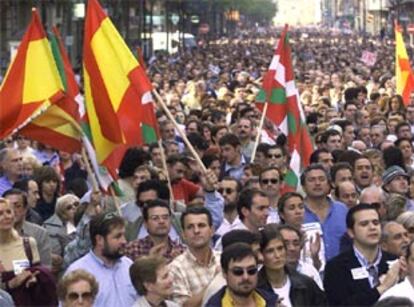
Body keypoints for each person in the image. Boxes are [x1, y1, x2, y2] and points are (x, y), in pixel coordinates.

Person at [324, 204, 402, 306]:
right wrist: (382, 288)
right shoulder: (336, 267)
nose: (372, 227)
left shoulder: (396, 262)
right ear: (351, 232)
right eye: (364, 224)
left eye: (375, 222)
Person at [64, 212, 137, 306]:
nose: (124, 241)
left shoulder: (129, 266)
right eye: (117, 236)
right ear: (99, 240)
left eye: (124, 235)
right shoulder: (77, 272)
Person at [0, 197, 57, 306]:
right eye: (0, 213)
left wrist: (34, 278)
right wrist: (10, 284)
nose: (6, 216)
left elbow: (39, 273)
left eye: (8, 212)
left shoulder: (28, 244)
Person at [256, 225, 327, 306]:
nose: (277, 255)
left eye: (280, 248)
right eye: (270, 251)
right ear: (261, 255)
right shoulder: (255, 289)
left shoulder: (306, 284)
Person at [169, 207, 221, 306]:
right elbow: (184, 306)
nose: (196, 231)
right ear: (183, 234)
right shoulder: (175, 268)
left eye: (201, 225)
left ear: (212, 230)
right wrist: (214, 283)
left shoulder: (224, 259)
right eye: (190, 227)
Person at [206, 243, 278, 307]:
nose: (245, 277)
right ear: (225, 273)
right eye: (238, 272)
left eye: (251, 271)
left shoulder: (272, 302)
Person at [302, 164, 348, 260]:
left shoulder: (342, 210)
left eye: (321, 179)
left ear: (328, 184)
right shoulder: (298, 212)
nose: (317, 183)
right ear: (303, 187)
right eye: (312, 180)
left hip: (341, 268)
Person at [3, 188, 52, 266]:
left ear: (25, 209)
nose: (12, 210)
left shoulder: (39, 233)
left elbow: (46, 267)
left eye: (17, 206)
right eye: (8, 207)